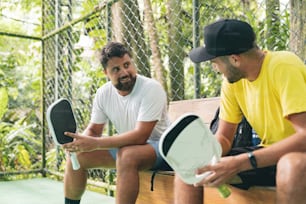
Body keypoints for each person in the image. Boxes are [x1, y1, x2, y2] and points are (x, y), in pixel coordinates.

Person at [174, 18, 306, 204]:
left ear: (235, 59)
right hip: (269, 155)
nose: (214, 68)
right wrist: (204, 157)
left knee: (290, 165)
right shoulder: (233, 82)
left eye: (215, 62)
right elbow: (225, 138)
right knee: (189, 169)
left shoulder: (283, 66)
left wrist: (242, 162)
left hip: (297, 154)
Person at [62, 41, 171, 204]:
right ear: (106, 72)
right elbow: (93, 130)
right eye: (116, 69)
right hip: (129, 147)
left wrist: (96, 143)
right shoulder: (103, 93)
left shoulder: (151, 88)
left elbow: (141, 136)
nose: (124, 72)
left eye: (127, 65)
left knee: (127, 155)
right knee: (77, 157)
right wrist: (80, 143)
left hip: (163, 149)